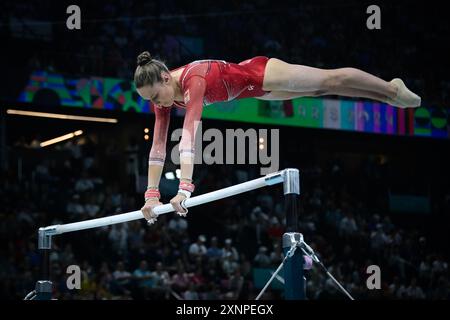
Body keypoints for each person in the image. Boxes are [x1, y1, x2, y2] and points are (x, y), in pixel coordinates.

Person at [135, 51, 421, 224]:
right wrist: (151, 196)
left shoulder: (192, 81)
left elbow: (189, 135)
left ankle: (391, 89)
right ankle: (387, 98)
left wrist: (185, 188)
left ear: (165, 78)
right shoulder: (162, 97)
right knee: (319, 91)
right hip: (255, 90)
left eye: (156, 97)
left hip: (261, 73)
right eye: (151, 101)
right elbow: (158, 146)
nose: (158, 104)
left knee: (328, 81)